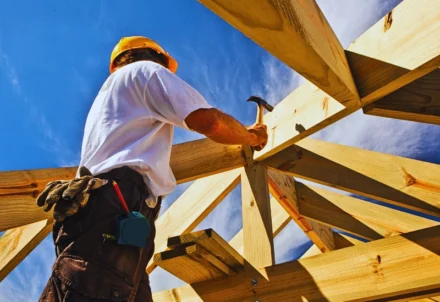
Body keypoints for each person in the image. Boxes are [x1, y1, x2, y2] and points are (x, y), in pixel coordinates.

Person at [36, 36, 268, 302]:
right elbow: (211, 122)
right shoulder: (145, 72)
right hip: (116, 207)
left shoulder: (111, 98)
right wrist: (252, 136)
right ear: (156, 58)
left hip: (112, 215)